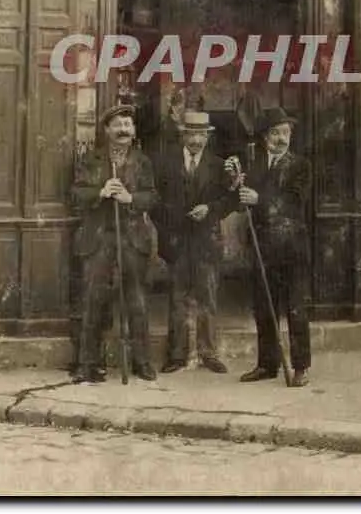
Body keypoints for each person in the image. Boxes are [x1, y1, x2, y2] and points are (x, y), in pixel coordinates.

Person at [71, 104, 158, 383]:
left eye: (128, 125)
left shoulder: (143, 161)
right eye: (118, 125)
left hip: (132, 239)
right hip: (99, 240)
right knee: (92, 302)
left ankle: (142, 362)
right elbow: (76, 193)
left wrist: (130, 199)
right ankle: (87, 364)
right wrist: (101, 192)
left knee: (137, 302)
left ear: (134, 131)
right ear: (107, 129)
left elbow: (152, 197)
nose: (123, 130)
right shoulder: (91, 159)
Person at [228, 107, 312, 388]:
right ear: (265, 137)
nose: (281, 138)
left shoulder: (300, 165)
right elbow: (242, 204)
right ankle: (267, 364)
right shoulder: (255, 165)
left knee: (296, 309)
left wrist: (259, 199)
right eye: (276, 133)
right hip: (263, 249)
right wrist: (236, 186)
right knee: (264, 308)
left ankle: (300, 367)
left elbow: (293, 201)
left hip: (292, 249)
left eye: (286, 132)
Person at [152, 110, 239, 373]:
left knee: (207, 297)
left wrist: (210, 210)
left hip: (206, 241)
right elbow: (153, 201)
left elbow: (230, 200)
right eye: (191, 134)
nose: (196, 140)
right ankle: (177, 355)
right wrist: (173, 221)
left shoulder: (218, 165)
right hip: (177, 240)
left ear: (207, 137)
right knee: (177, 297)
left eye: (201, 134)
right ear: (183, 135)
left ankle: (208, 353)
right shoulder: (165, 164)